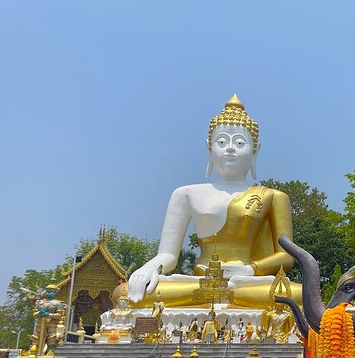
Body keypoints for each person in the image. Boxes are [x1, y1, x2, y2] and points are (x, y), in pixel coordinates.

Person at [120, 95, 301, 309]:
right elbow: (167, 255)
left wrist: (251, 269)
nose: (230, 148)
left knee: (298, 294)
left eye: (240, 142)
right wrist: (148, 268)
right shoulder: (185, 194)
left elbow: (287, 257)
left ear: (255, 150)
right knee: (124, 292)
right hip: (200, 282)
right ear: (209, 147)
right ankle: (220, 297)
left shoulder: (273, 197)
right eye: (222, 141)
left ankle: (225, 296)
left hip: (246, 282)